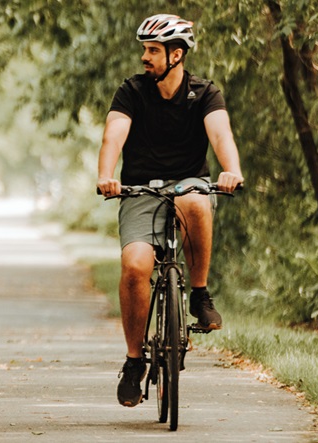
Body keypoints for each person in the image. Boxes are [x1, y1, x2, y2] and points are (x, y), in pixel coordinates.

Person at [96, 14, 244, 407]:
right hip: (141, 189)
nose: (145, 57)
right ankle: (133, 362)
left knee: (195, 201)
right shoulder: (132, 91)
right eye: (145, 49)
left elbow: (220, 133)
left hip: (188, 184)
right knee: (135, 268)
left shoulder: (204, 93)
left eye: (153, 51)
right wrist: (106, 175)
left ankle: (199, 293)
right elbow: (114, 132)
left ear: (176, 55)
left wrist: (231, 170)